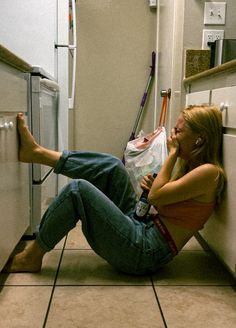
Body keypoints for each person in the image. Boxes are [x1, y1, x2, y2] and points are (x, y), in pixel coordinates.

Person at [3, 105, 226, 275]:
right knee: (112, 166)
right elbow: (160, 200)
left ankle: (32, 257)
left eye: (178, 131)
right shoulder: (195, 167)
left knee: (77, 191)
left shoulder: (209, 173)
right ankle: (38, 153)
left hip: (145, 252)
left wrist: (173, 153)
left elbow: (158, 196)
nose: (172, 136)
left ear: (200, 139)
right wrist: (151, 187)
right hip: (145, 227)